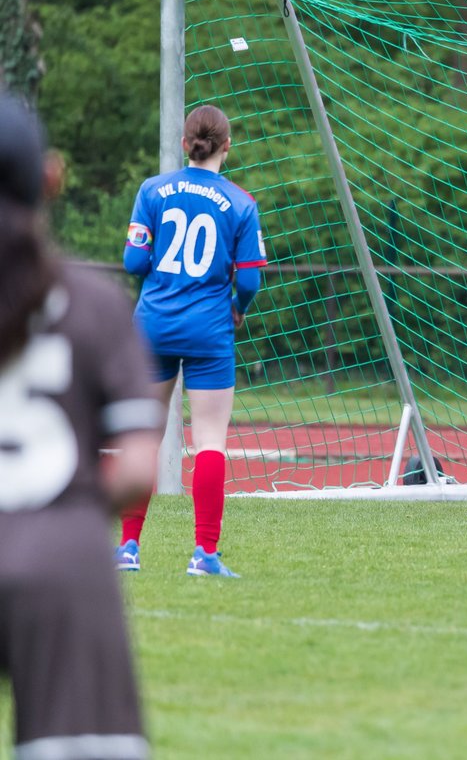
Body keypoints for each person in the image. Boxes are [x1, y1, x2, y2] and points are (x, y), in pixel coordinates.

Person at [0, 95, 163, 760]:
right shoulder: (92, 301)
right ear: (51, 178)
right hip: (64, 563)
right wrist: (62, 510)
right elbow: (136, 469)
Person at [116, 104, 267, 578]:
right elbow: (249, 281)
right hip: (209, 330)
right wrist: (237, 309)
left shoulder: (152, 190)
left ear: (185, 144)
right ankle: (204, 554)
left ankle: (127, 548)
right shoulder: (241, 203)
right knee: (209, 441)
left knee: (143, 435)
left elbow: (134, 263)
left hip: (154, 326)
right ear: (228, 146)